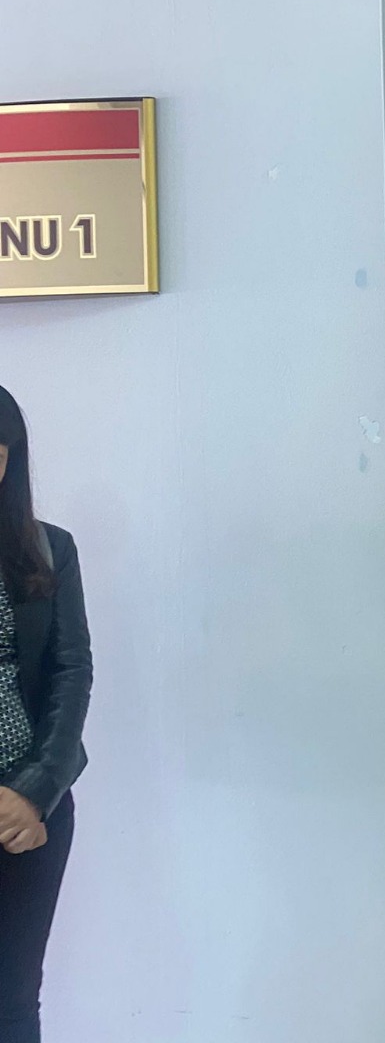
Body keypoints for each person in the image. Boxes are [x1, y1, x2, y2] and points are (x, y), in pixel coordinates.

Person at [0, 385, 92, 1043]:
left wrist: (33, 793)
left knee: (9, 1002)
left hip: (26, 811)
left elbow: (71, 671)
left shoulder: (49, 549)